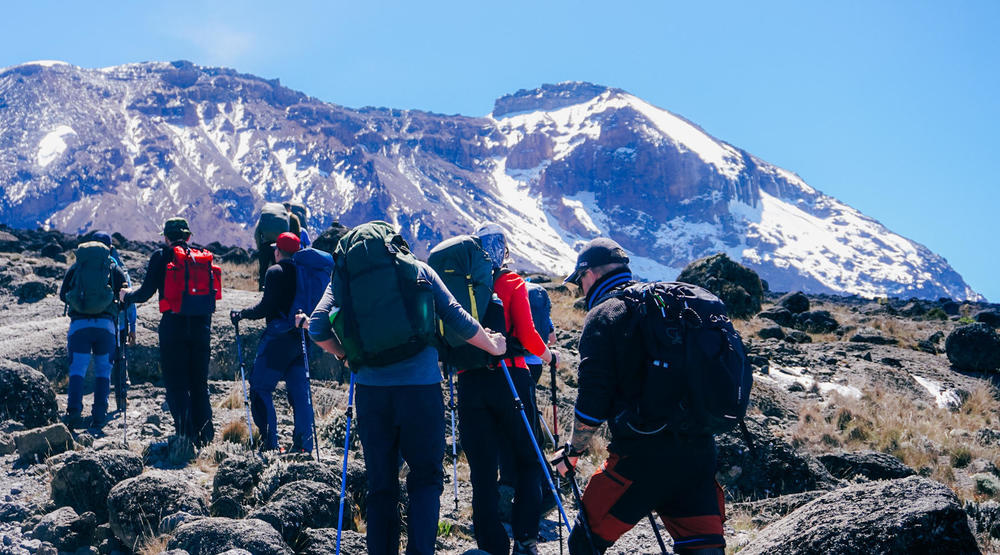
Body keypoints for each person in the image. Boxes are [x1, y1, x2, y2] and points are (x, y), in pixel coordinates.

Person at [307, 221, 506, 555]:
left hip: (371, 394)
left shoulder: (343, 281)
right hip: (421, 390)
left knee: (381, 485)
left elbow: (317, 327)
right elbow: (457, 317)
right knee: (426, 480)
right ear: (394, 244)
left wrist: (345, 354)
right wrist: (493, 345)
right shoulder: (417, 270)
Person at [552, 238, 726, 555]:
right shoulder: (663, 307)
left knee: (585, 542)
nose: (580, 291)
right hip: (700, 452)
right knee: (703, 547)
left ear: (588, 273)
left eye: (579, 282)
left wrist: (573, 452)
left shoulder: (605, 314)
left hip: (641, 461)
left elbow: (592, 403)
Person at [458, 223, 556, 555]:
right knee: (529, 459)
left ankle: (490, 544)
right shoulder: (512, 283)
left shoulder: (463, 285)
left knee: (482, 468)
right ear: (503, 251)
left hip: (470, 381)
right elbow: (528, 335)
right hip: (511, 377)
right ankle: (525, 538)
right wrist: (548, 355)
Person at [121, 218, 216, 446]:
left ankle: (185, 436)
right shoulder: (202, 255)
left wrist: (127, 297)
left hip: (173, 326)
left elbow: (145, 292)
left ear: (166, 237)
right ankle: (206, 436)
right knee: (199, 383)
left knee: (177, 384)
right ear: (188, 236)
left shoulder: (161, 256)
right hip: (201, 327)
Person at [230, 232, 313, 453]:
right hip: (301, 338)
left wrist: (242, 314)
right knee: (299, 393)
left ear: (278, 251)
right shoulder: (304, 273)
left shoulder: (274, 272)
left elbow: (265, 308)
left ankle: (271, 443)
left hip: (278, 341)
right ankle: (304, 446)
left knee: (260, 387)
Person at [59, 239, 129, 430]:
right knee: (103, 372)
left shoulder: (76, 268)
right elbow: (125, 297)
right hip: (106, 327)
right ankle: (99, 415)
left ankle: (73, 412)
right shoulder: (113, 269)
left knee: (77, 371)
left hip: (79, 326)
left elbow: (62, 294)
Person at [91, 231, 137, 410]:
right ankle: (121, 400)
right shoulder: (118, 267)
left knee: (102, 363)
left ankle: (99, 406)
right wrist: (132, 326)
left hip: (95, 323)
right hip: (118, 323)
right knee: (119, 361)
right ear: (111, 247)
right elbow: (130, 299)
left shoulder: (86, 266)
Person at [254, 202, 291, 290]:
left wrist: (260, 246)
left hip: (265, 244)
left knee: (263, 268)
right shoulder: (284, 218)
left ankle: (261, 287)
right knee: (277, 268)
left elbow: (257, 234)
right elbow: (287, 232)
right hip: (278, 246)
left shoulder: (263, 219)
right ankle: (275, 288)